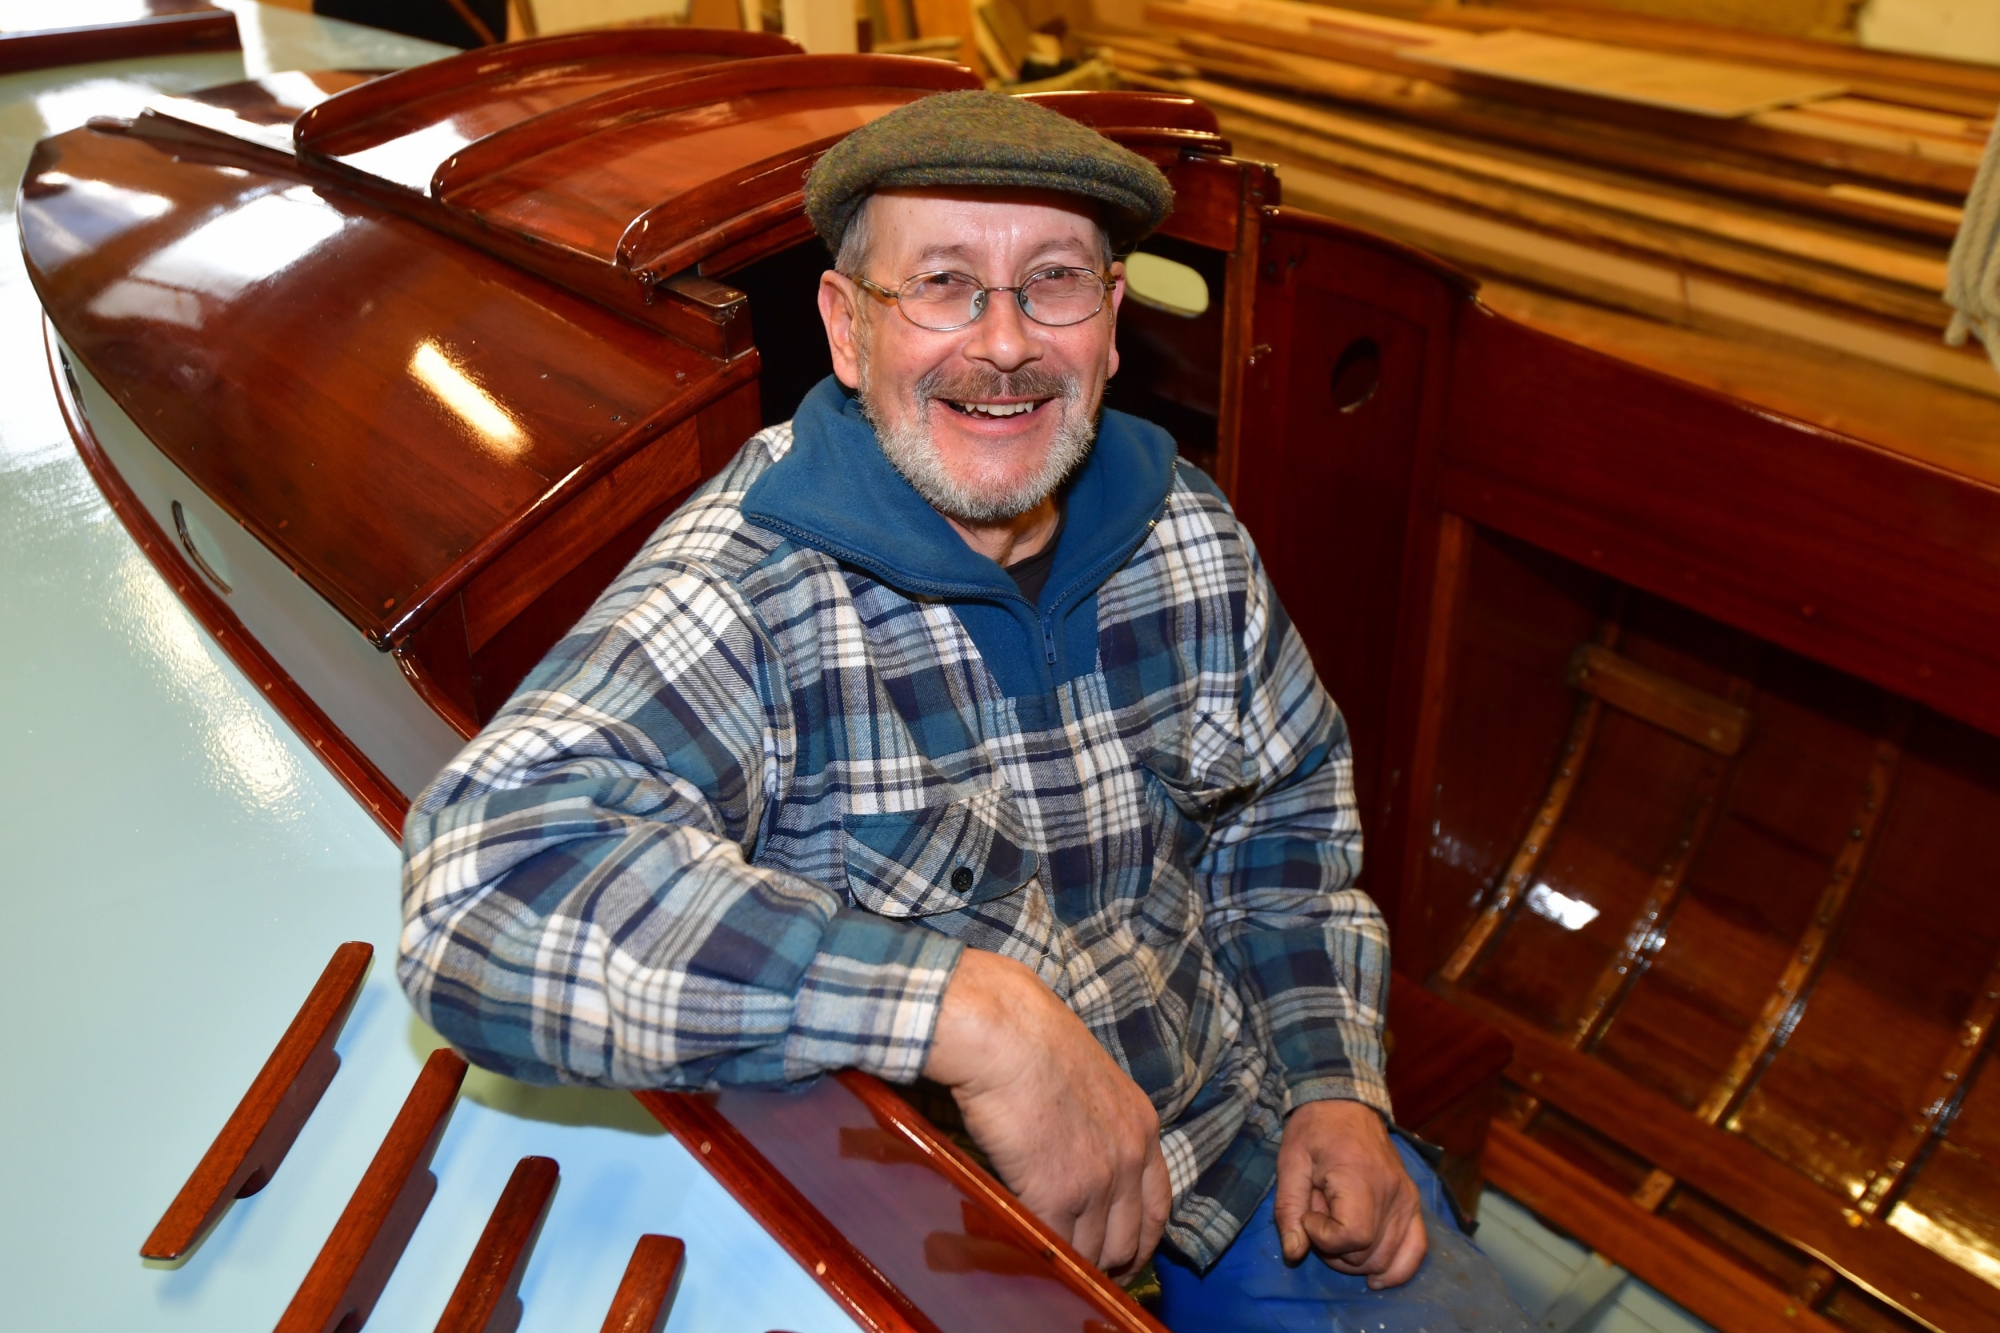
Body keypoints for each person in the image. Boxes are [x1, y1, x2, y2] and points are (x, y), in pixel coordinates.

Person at [399, 90, 1528, 1332]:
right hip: (943, 1234)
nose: (1002, 344)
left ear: (1108, 325)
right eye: (939, 284)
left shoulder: (1189, 532)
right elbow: (481, 886)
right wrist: (966, 1011)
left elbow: (1284, 836)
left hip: (1234, 1145)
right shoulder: (746, 585)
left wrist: (1332, 1085)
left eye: (1051, 281)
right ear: (844, 327)